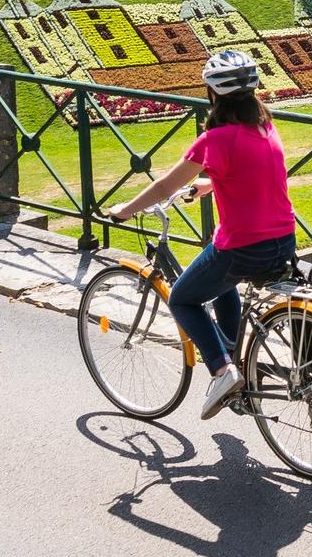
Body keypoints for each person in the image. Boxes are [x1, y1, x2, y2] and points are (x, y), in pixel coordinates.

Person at [105, 50, 298, 421]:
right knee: (219, 273)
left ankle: (223, 372)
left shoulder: (213, 140)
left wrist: (124, 210)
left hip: (243, 247)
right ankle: (230, 350)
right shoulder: (265, 128)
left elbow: (165, 186)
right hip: (282, 241)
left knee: (182, 299)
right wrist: (211, 184)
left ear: (213, 94)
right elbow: (252, 172)